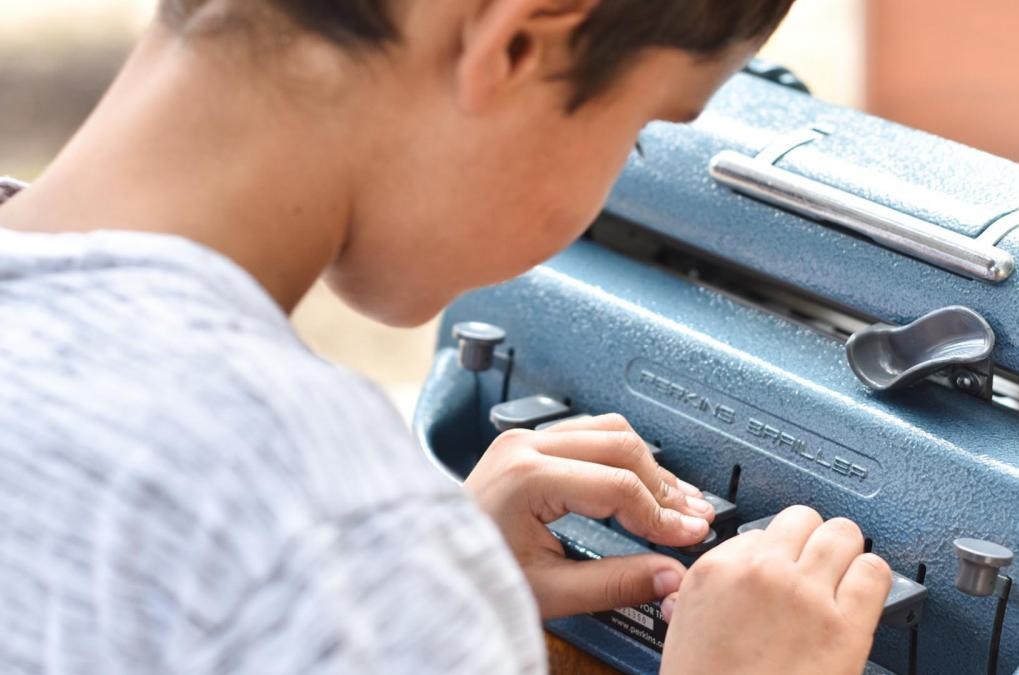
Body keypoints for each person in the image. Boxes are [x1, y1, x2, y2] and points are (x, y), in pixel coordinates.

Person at [0, 0, 893, 673]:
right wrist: (386, 571)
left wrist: (404, 593)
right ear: (514, 43)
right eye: (638, 132)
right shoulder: (318, 518)